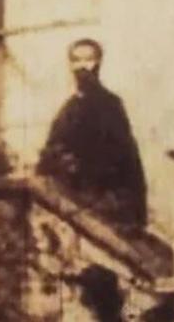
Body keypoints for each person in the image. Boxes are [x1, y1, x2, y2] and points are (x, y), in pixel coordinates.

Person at [36, 39, 148, 228]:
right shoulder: (68, 109)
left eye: (89, 59)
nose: (83, 66)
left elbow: (125, 158)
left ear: (99, 63)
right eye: (76, 60)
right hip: (71, 199)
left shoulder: (110, 104)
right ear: (70, 65)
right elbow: (50, 154)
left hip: (102, 201)